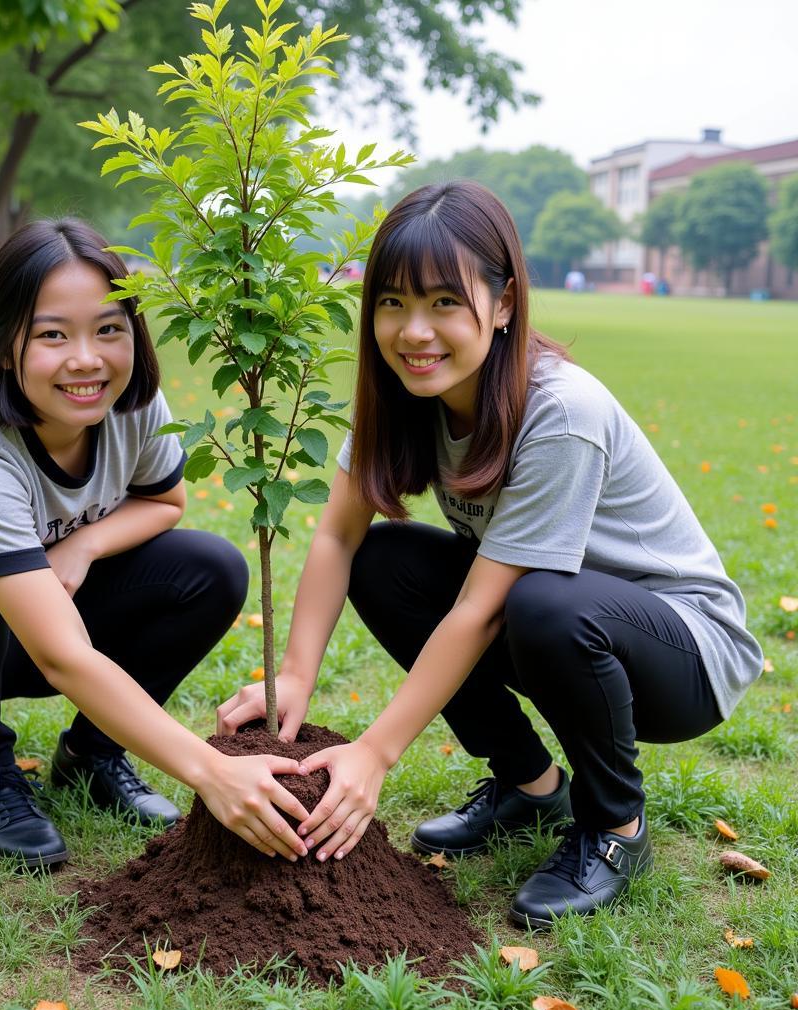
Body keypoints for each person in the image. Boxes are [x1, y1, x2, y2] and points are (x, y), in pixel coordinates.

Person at [216, 181, 762, 926]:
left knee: (538, 602)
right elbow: (339, 536)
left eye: (445, 302)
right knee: (386, 560)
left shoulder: (560, 412)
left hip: (683, 650)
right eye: (393, 303)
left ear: (504, 304)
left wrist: (375, 752)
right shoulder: (409, 396)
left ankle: (615, 829)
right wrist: (292, 677)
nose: (415, 331)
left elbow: (480, 608)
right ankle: (530, 787)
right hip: (556, 623)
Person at [0, 219, 312, 869]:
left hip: (29, 613)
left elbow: (164, 502)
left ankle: (91, 758)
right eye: (53, 334)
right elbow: (59, 655)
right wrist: (209, 771)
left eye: (109, 329)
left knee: (210, 569)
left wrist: (81, 547)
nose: (87, 359)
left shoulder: (135, 406)